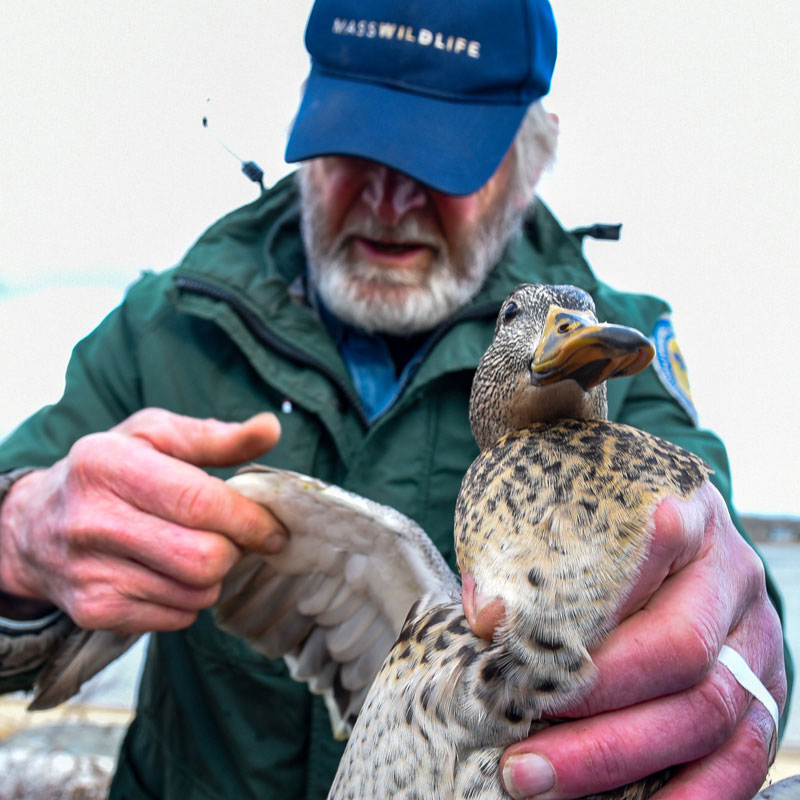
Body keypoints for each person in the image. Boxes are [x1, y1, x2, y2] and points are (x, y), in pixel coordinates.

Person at [0, 1, 790, 798]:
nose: (389, 198)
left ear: (528, 157)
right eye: (356, 144)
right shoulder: (168, 324)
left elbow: (723, 578)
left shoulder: (603, 352)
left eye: (440, 158)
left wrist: (740, 653)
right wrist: (20, 544)